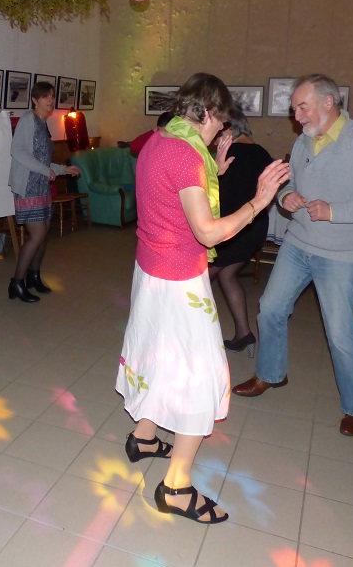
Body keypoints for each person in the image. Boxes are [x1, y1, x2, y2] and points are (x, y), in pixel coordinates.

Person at [116, 73, 290, 524]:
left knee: (155, 354)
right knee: (200, 375)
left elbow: (171, 192)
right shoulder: (185, 155)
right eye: (220, 122)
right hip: (178, 279)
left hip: (150, 271)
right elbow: (207, 232)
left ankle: (144, 436)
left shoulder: (159, 141)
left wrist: (213, 168)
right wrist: (259, 200)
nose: (222, 130)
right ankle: (175, 487)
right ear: (207, 113)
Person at [232, 74, 353, 437]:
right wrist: (285, 196)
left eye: (302, 107)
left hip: (343, 253)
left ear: (328, 102)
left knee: (341, 333)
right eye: (294, 109)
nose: (297, 116)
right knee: (270, 309)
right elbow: (289, 183)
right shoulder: (304, 139)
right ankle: (270, 374)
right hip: (298, 243)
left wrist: (335, 211)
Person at [8, 80, 81, 302]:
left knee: (44, 232)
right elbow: (17, 150)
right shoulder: (28, 119)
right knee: (37, 234)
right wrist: (45, 170)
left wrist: (64, 169)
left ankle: (33, 276)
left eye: (51, 96)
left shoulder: (43, 123)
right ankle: (16, 283)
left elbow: (43, 161)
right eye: (45, 96)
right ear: (34, 100)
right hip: (28, 186)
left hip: (41, 185)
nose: (50, 100)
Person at [210, 106, 273, 353]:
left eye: (218, 132)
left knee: (196, 282)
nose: (214, 139)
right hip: (255, 229)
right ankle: (244, 334)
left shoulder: (229, 156)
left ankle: (182, 337)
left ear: (228, 131)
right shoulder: (262, 152)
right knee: (227, 275)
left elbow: (219, 199)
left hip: (233, 230)